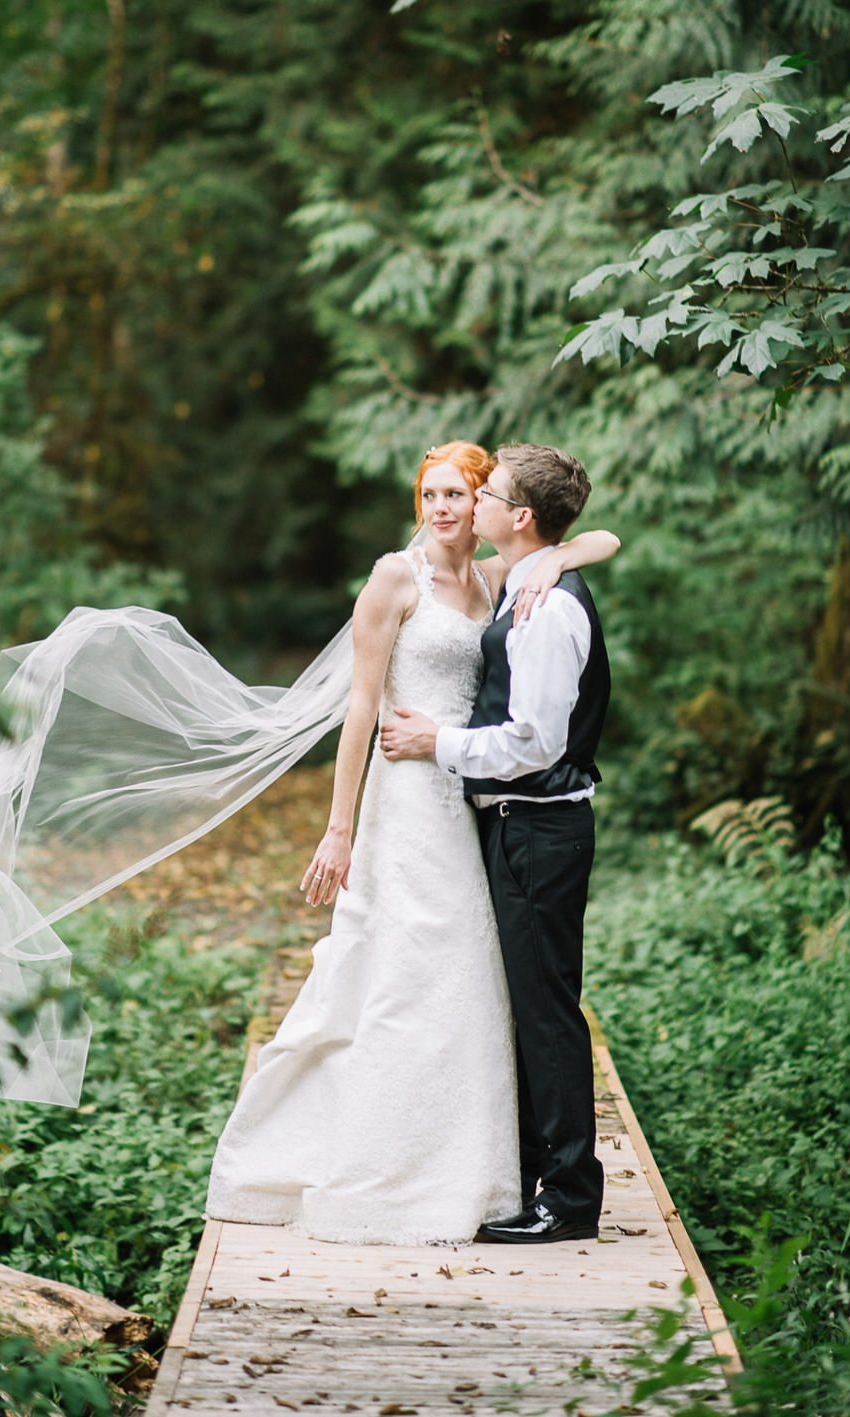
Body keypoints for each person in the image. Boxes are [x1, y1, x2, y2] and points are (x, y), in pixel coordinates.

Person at [203, 441, 617, 1245]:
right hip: (409, 796)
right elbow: (361, 710)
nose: (441, 507)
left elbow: (598, 541)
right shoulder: (397, 577)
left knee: (471, 976)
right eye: (428, 494)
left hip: (473, 804)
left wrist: (559, 555)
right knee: (394, 973)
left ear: (494, 509)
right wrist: (338, 827)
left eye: (460, 493)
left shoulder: (502, 578)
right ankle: (384, 1163)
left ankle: (479, 1167)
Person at [378, 442, 611, 1244]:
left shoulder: (547, 606)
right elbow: (594, 538)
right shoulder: (521, 579)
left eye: (487, 494)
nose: (469, 503)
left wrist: (437, 742)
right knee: (530, 1005)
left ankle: (570, 1199)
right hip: (513, 825)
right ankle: (537, 1171)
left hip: (539, 827)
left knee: (546, 1013)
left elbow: (534, 742)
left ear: (517, 517)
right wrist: (562, 551)